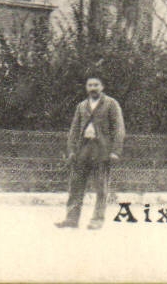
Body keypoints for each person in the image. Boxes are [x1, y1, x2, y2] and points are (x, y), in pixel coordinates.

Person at [56, 76, 124, 230]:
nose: (93, 88)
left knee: (101, 187)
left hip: (102, 150)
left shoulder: (111, 104)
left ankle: (97, 220)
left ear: (102, 86)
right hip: (83, 149)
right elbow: (74, 129)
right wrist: (72, 150)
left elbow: (119, 129)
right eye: (90, 85)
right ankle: (71, 219)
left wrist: (115, 151)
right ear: (86, 87)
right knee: (76, 185)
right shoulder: (81, 106)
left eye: (96, 85)